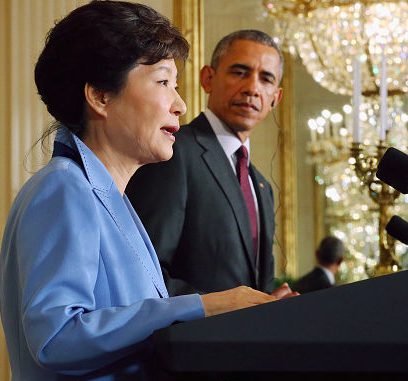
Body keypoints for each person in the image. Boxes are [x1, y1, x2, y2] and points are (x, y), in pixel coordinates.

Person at [0, 3, 276, 381]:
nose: (179, 104)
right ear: (99, 96)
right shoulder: (65, 186)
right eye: (163, 82)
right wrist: (204, 306)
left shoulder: (114, 200)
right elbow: (55, 338)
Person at [126, 30, 294, 299]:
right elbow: (143, 272)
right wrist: (220, 310)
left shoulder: (261, 185)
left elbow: (254, 295)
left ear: (276, 97)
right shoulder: (173, 152)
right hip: (187, 338)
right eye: (239, 72)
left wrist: (271, 304)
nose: (252, 88)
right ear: (208, 79)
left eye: (266, 79)